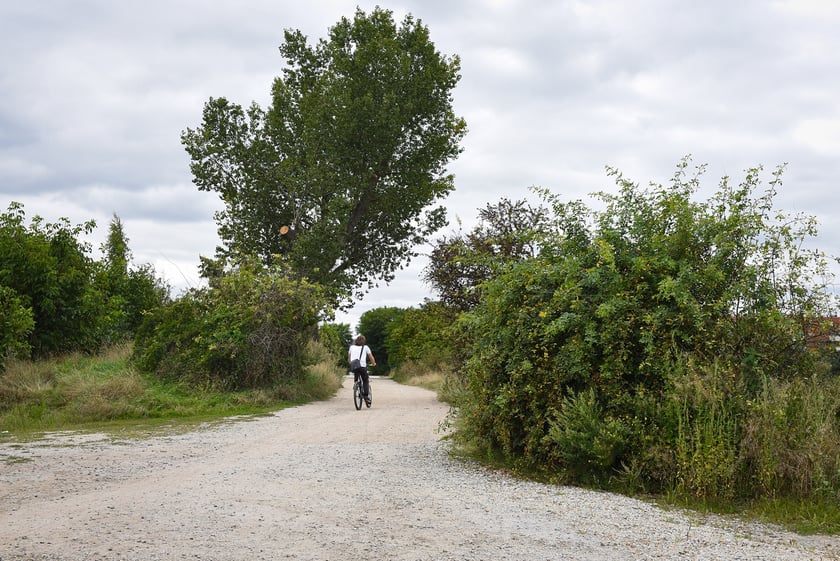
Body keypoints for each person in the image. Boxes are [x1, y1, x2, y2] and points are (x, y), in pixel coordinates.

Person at [348, 335, 376, 405]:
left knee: (356, 373)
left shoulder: (351, 347)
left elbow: (349, 358)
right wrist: (373, 363)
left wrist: (350, 363)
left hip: (354, 366)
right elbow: (371, 357)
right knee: (365, 380)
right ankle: (366, 397)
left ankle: (356, 384)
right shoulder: (365, 347)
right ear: (364, 341)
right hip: (362, 366)